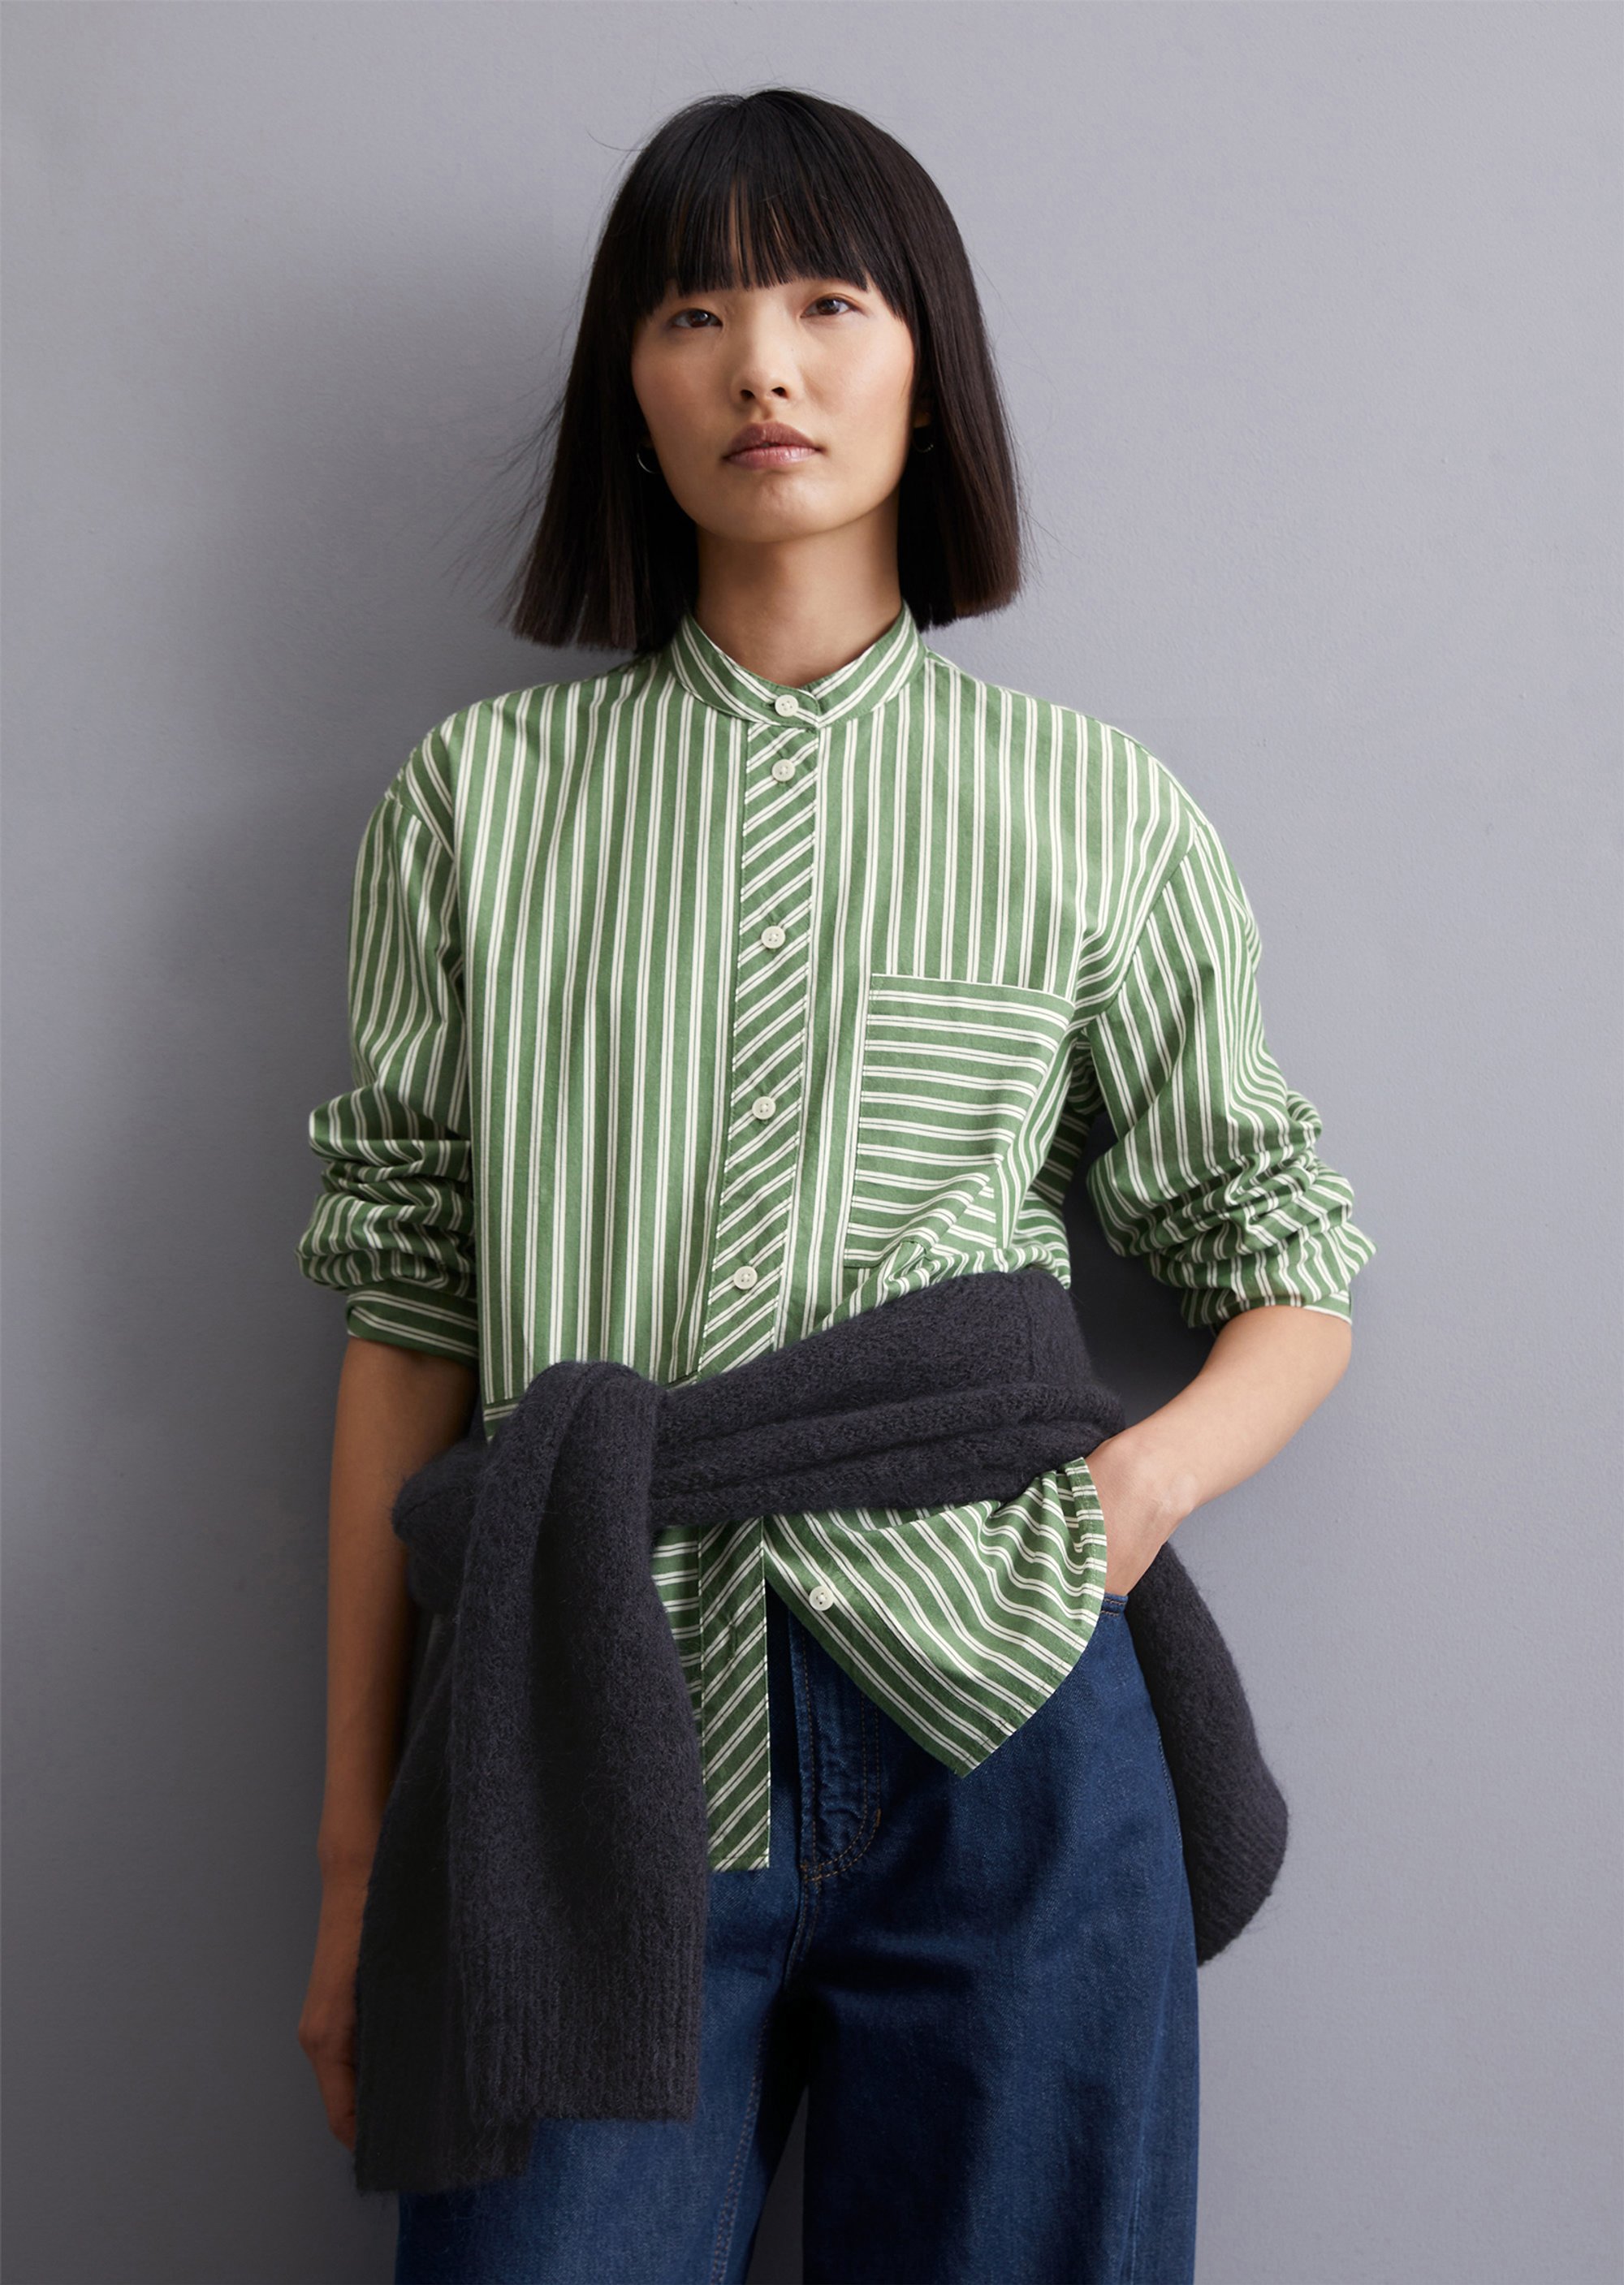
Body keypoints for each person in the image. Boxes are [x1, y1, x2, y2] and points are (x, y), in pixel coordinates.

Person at [294, 85, 1373, 2285]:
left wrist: (1129, 1496)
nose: (761, 367)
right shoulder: (478, 805)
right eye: (693, 313)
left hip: (1005, 1726)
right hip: (580, 1734)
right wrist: (349, 1874)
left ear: (924, 368)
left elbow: (1290, 1264)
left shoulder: (1095, 810)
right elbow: (407, 1325)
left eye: (824, 304)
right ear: (631, 388)